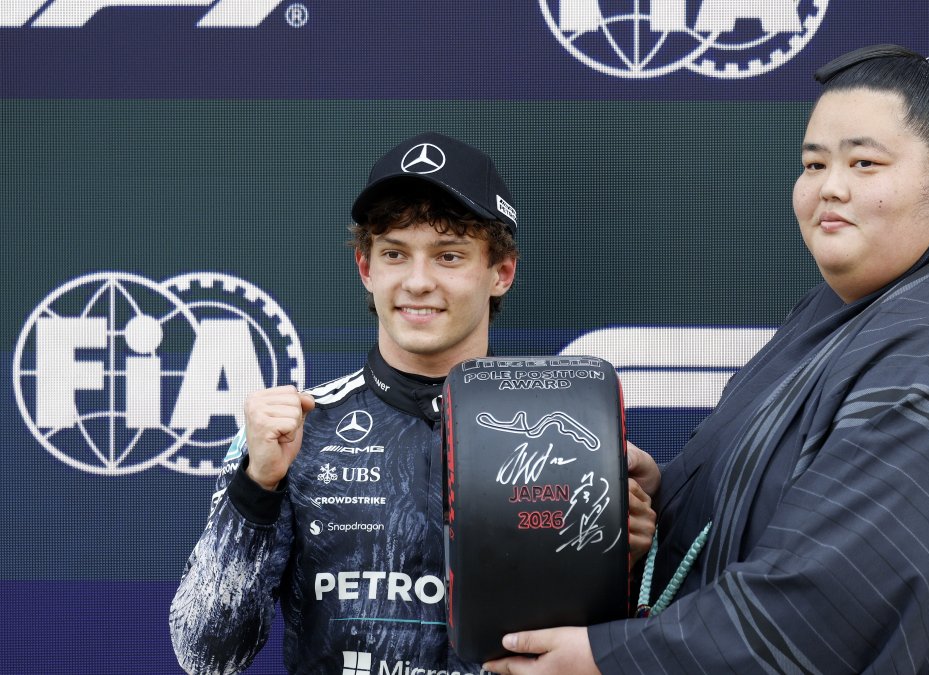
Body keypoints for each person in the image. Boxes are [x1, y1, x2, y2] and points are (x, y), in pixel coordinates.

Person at [482, 44, 929, 674]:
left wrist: (603, 661)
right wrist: (661, 496)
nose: (830, 187)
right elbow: (798, 492)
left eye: (865, 163)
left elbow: (825, 603)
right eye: (813, 164)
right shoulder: (865, 304)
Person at [169, 131, 657, 675]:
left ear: (501, 273)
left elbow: (633, 645)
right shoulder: (294, 433)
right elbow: (205, 656)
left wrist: (624, 562)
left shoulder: (572, 441)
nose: (418, 282)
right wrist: (256, 490)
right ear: (366, 269)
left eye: (449, 256)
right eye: (396, 253)